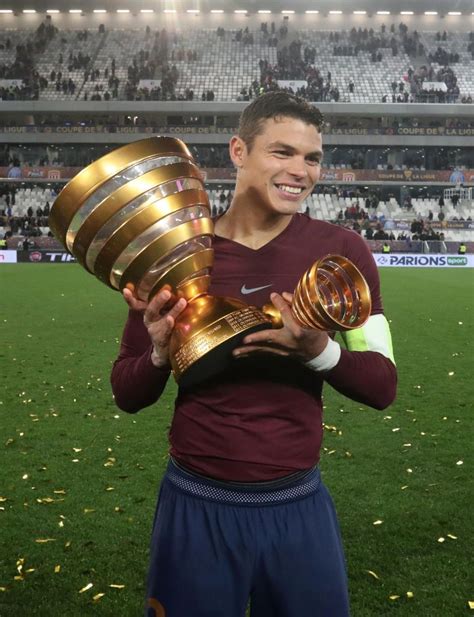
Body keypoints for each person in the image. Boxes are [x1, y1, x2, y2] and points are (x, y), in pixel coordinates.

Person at [111, 92, 397, 617]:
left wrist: (318, 351)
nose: (300, 171)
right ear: (238, 150)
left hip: (299, 508)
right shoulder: (173, 253)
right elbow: (127, 394)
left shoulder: (344, 253)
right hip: (196, 508)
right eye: (282, 152)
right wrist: (157, 353)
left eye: (312, 158)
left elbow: (382, 385)